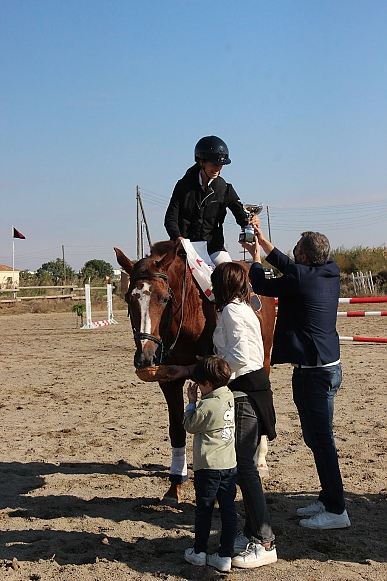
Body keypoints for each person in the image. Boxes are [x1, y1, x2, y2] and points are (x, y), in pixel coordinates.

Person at [163, 262, 278, 570]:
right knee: (242, 467)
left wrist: (211, 370)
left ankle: (265, 541)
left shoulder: (230, 312)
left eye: (215, 284)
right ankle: (254, 531)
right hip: (247, 388)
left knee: (243, 467)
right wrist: (195, 367)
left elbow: (239, 358)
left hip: (245, 391)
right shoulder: (236, 310)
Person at [241, 223, 351, 530]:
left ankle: (337, 509)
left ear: (303, 256)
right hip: (327, 366)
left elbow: (261, 284)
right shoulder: (330, 270)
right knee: (318, 438)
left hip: (314, 373)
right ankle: (329, 497)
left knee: (321, 440)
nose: (293, 253)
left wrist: (255, 259)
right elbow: (291, 266)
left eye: (296, 249)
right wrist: (261, 241)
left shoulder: (300, 278)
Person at [183, 355, 237, 573]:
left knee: (204, 510)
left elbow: (190, 425)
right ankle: (225, 554)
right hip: (229, 465)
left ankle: (199, 551)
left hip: (208, 466)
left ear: (206, 384)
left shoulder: (207, 405)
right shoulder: (229, 396)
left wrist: (191, 401)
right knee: (228, 510)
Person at [164, 135, 249, 265]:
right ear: (201, 161)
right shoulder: (183, 186)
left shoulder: (225, 188)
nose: (218, 168)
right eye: (214, 163)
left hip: (214, 249)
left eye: (221, 164)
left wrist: (249, 221)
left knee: (228, 274)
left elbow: (241, 215)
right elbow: (170, 219)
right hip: (185, 248)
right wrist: (178, 238)